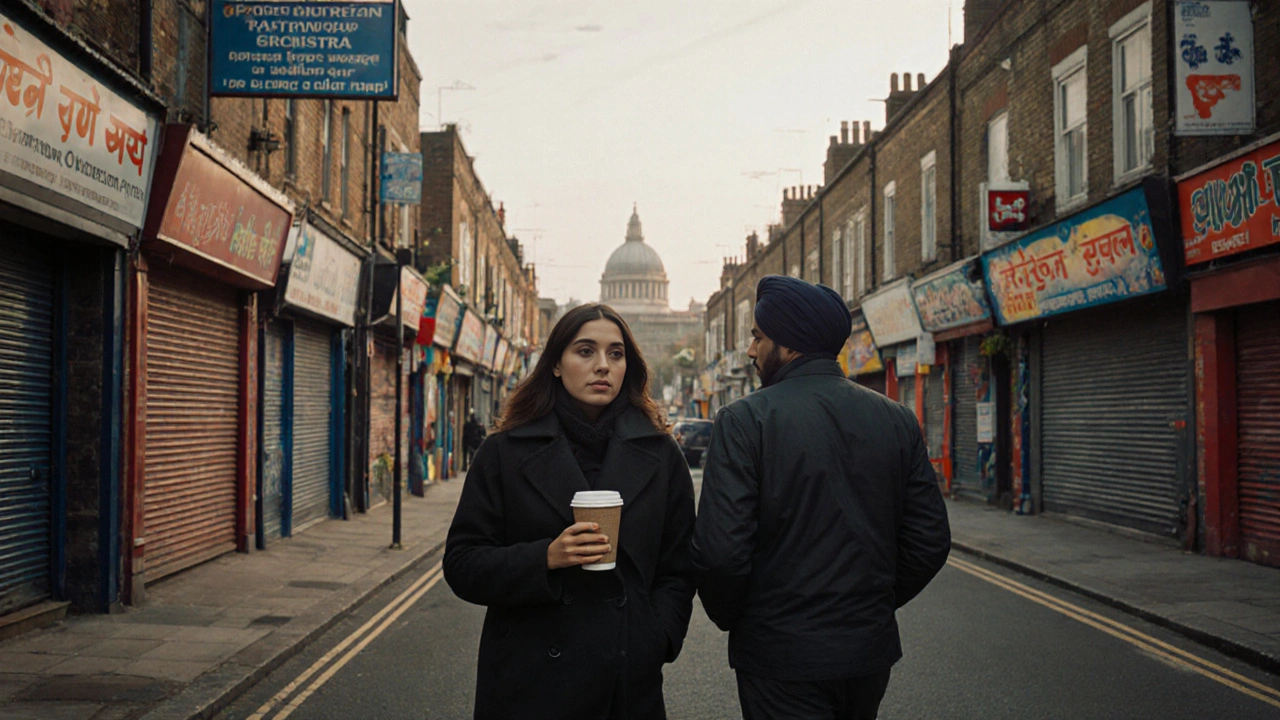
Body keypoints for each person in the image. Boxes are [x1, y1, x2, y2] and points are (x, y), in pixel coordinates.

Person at [692, 275, 951, 720]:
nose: (751, 351)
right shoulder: (898, 419)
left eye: (757, 337)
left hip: (780, 657)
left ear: (789, 343)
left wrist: (744, 619)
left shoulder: (743, 421)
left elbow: (720, 553)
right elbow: (929, 541)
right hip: (866, 654)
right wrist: (870, 605)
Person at [444, 303, 697, 720]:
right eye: (585, 351)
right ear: (557, 364)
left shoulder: (660, 453)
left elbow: (680, 566)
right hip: (528, 682)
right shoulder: (505, 451)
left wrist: (656, 640)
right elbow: (462, 562)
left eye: (616, 354)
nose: (603, 366)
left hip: (626, 682)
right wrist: (545, 558)